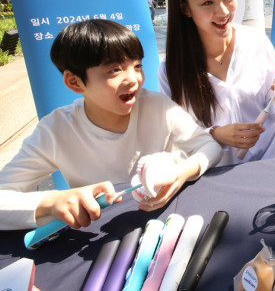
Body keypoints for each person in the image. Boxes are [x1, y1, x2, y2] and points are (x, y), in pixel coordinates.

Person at [0, 19, 223, 231]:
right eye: (114, 70)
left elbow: (208, 146)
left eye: (137, 66)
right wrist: (52, 201)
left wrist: (182, 172)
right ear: (74, 81)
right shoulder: (55, 131)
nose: (133, 79)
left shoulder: (158, 107)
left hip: (168, 220)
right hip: (98, 235)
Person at [160, 0, 275, 165]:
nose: (223, 11)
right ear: (185, 8)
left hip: (273, 155)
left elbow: (270, 100)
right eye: (207, 2)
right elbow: (175, 134)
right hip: (214, 170)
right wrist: (215, 134)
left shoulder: (256, 42)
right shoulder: (171, 69)